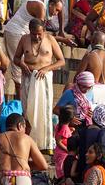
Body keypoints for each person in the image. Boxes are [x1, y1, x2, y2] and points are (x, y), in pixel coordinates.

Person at [15, 19, 66, 151]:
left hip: (44, 77)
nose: (36, 37)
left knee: (45, 110)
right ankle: (27, 142)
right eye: (33, 34)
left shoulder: (50, 39)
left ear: (44, 31)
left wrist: (46, 69)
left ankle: (46, 145)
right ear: (30, 32)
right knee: (27, 110)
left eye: (39, 34)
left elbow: (61, 61)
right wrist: (22, 64)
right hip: (28, 77)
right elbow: (16, 58)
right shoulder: (24, 39)